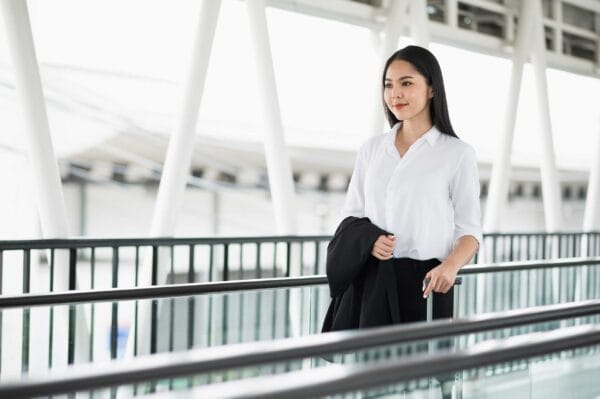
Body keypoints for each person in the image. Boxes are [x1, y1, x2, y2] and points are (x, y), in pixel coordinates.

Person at [340, 45, 483, 325]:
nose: (395, 94)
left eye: (406, 83)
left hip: (428, 282)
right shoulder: (371, 150)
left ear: (431, 88)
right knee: (370, 367)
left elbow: (470, 231)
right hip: (373, 280)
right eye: (388, 85)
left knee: (423, 366)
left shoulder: (457, 153)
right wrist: (370, 241)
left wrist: (450, 267)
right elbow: (352, 215)